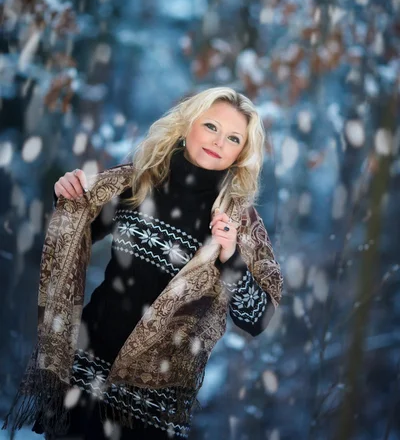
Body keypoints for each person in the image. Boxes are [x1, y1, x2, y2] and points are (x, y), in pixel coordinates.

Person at [3, 87, 283, 440]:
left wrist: (231, 259)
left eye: (233, 138)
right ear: (187, 124)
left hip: (152, 404)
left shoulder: (239, 222)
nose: (218, 142)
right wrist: (66, 193)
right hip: (87, 370)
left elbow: (259, 319)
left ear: (241, 153)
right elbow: (72, 227)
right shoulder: (139, 182)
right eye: (211, 126)